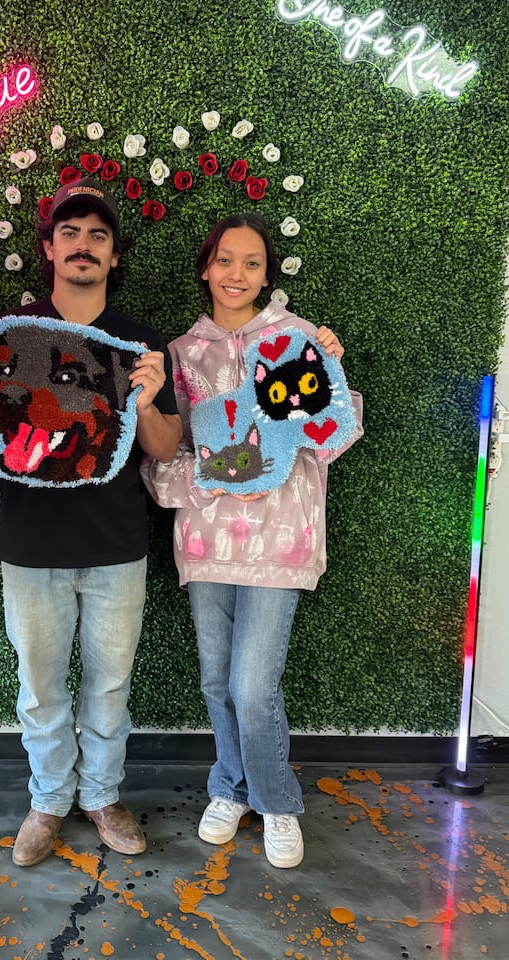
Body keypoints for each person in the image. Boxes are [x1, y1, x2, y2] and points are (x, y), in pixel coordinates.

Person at [0, 176, 182, 867]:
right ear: (48, 248)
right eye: (70, 233)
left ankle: (101, 796)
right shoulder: (6, 334)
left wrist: (147, 401)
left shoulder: (141, 341)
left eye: (98, 236)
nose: (83, 245)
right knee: (41, 688)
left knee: (109, 685)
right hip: (31, 544)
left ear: (114, 255)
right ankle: (49, 800)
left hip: (117, 545)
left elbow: (167, 448)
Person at [142, 213, 363, 868]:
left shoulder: (298, 340)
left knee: (251, 684)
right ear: (206, 268)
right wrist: (214, 476)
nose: (237, 274)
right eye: (226, 260)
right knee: (217, 680)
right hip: (207, 539)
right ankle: (229, 787)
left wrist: (330, 373)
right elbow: (168, 451)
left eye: (252, 263)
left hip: (281, 539)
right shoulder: (181, 354)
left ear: (267, 275)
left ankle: (277, 801)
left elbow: (332, 438)